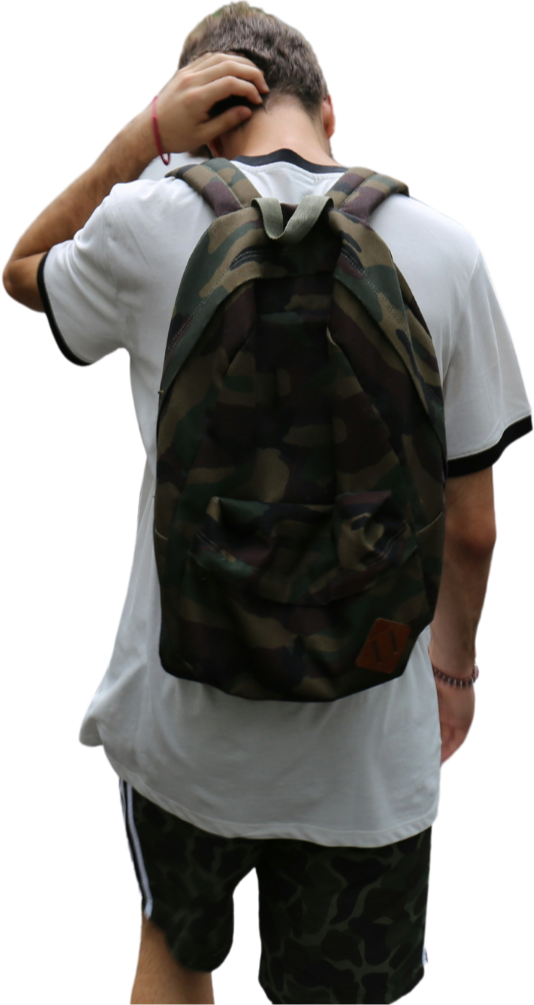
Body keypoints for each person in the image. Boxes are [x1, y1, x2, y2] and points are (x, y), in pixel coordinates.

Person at [2, 4, 532, 1004]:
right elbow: (474, 529)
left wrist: (138, 141)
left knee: (174, 955)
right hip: (368, 753)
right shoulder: (447, 248)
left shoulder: (146, 222)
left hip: (182, 729)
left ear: (196, 122)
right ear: (331, 113)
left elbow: (22, 272)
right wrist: (454, 673)